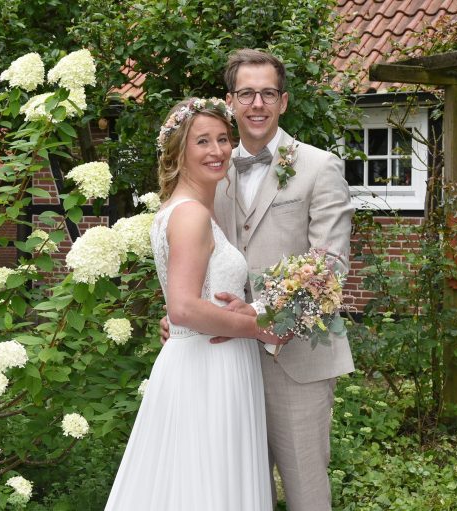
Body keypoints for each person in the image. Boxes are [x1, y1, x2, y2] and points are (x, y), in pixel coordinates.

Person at [161, 49, 355, 511]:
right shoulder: (211, 166)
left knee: (306, 492)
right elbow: (188, 251)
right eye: (246, 93)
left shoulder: (319, 166)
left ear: (283, 101)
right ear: (230, 101)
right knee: (239, 490)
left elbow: (330, 266)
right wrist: (182, 314)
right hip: (222, 363)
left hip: (298, 359)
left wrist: (261, 314)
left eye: (268, 93)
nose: (257, 104)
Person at [105, 97, 288, 510]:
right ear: (179, 152)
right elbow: (184, 308)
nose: (217, 150)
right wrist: (258, 327)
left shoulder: (183, 209)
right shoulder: (191, 215)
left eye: (223, 139)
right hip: (208, 370)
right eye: (202, 141)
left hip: (209, 361)